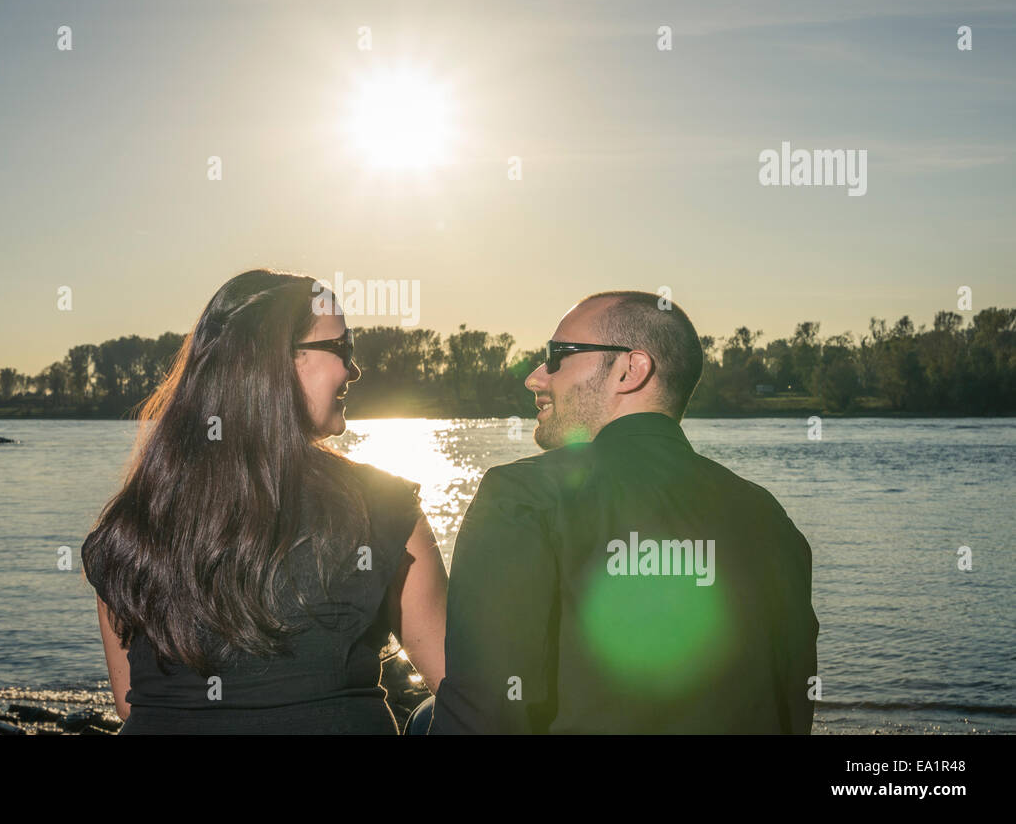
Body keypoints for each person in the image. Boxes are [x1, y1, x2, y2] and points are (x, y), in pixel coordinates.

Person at [426, 291, 819, 734]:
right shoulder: (770, 519)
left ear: (630, 369)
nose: (535, 378)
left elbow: (481, 713)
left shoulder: (521, 495)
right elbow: (793, 706)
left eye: (557, 357)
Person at [81, 268, 446, 733]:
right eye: (344, 349)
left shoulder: (128, 527)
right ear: (282, 361)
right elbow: (461, 688)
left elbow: (134, 704)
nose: (355, 370)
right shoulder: (382, 508)